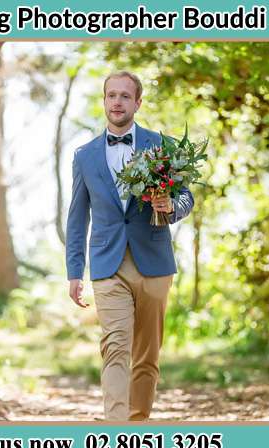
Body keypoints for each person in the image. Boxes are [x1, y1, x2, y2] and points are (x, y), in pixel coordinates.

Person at [65, 71, 194, 421]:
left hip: (154, 262)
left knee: (147, 354)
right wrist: (74, 271)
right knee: (115, 346)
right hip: (108, 266)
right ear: (104, 100)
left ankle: (138, 422)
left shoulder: (160, 145)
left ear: (137, 102)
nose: (117, 102)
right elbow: (77, 217)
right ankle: (116, 426)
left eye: (125, 96)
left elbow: (186, 198)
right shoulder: (84, 156)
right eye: (111, 95)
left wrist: (171, 207)